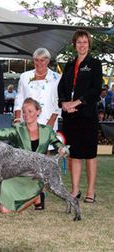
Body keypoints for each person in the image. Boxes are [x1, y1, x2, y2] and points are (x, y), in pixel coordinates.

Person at [0, 98, 68, 213]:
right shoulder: (17, 129)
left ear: (38, 112)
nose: (26, 115)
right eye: (24, 111)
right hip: (18, 174)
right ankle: (32, 198)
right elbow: (1, 133)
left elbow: (59, 145)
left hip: (36, 177)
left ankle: (36, 196)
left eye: (30, 111)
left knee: (4, 210)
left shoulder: (47, 130)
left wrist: (64, 150)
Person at [58, 29, 103, 203]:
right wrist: (63, 103)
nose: (82, 45)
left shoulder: (95, 64)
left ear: (89, 44)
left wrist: (76, 102)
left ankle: (91, 192)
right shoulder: (69, 64)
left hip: (87, 115)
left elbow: (95, 89)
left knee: (90, 155)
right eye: (79, 42)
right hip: (70, 116)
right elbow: (61, 87)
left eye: (85, 42)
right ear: (74, 44)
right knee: (74, 154)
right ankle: (75, 190)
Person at [13, 48, 61, 130]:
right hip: (26, 122)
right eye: (36, 60)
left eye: (42, 60)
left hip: (47, 122)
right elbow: (19, 99)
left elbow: (58, 101)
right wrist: (17, 119)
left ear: (48, 61)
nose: (39, 63)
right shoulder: (24, 76)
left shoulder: (57, 78)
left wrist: (51, 122)